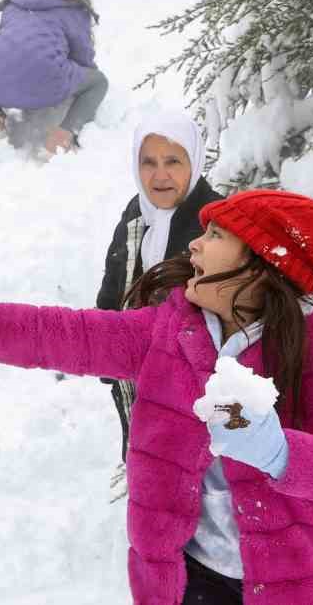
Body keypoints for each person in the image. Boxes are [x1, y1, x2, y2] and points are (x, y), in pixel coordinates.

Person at [0, 189, 313, 604]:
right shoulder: (169, 333)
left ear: (262, 263)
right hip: (186, 582)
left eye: (216, 236)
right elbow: (59, 334)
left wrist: (281, 454)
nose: (195, 243)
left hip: (295, 587)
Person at [98, 109, 222, 461]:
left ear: (193, 162)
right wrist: (105, 358)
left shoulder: (216, 225)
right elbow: (112, 288)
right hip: (137, 392)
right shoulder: (136, 216)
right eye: (148, 162)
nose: (160, 174)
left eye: (173, 161)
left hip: (197, 406)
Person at [0, 0, 107, 154]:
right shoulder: (73, 5)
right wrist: (78, 81)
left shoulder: (14, 1)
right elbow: (83, 57)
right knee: (98, 82)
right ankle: (64, 135)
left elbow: (10, 46)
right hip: (45, 80)